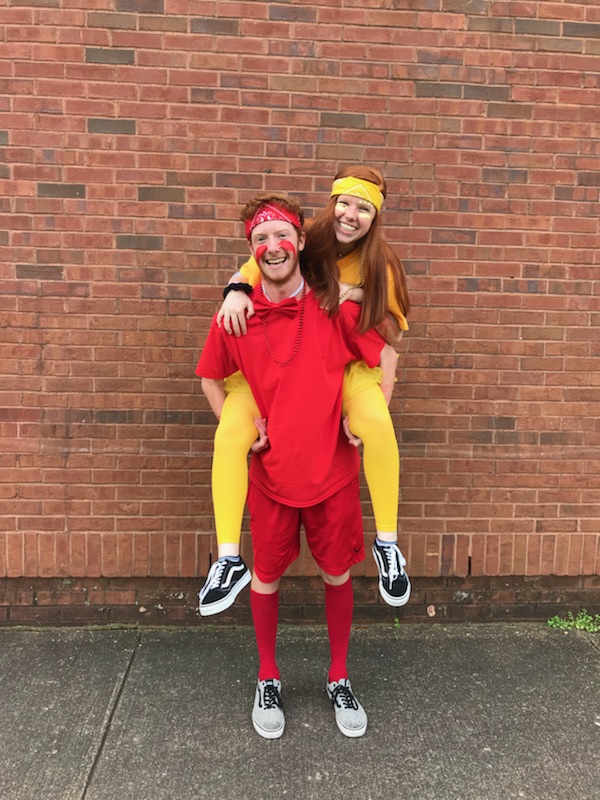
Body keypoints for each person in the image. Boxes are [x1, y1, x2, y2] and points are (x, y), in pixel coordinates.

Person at [195, 193, 390, 738]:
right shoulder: (236, 314)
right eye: (260, 240)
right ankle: (267, 676)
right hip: (272, 477)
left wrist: (369, 417)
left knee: (337, 574)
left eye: (282, 236)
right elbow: (211, 377)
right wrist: (244, 430)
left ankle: (338, 676)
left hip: (332, 474)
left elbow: (383, 356)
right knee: (265, 579)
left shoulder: (335, 306)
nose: (272, 247)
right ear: (250, 251)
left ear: (302, 242)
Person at [198, 166, 411, 617]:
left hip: (347, 361)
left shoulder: (381, 263)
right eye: (345, 203)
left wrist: (356, 297)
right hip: (278, 365)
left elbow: (392, 341)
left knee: (376, 423)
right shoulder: (306, 239)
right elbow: (263, 250)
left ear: (377, 217)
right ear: (331, 203)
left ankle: (388, 543)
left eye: (364, 208)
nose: (351, 215)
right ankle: (229, 558)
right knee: (230, 436)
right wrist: (236, 288)